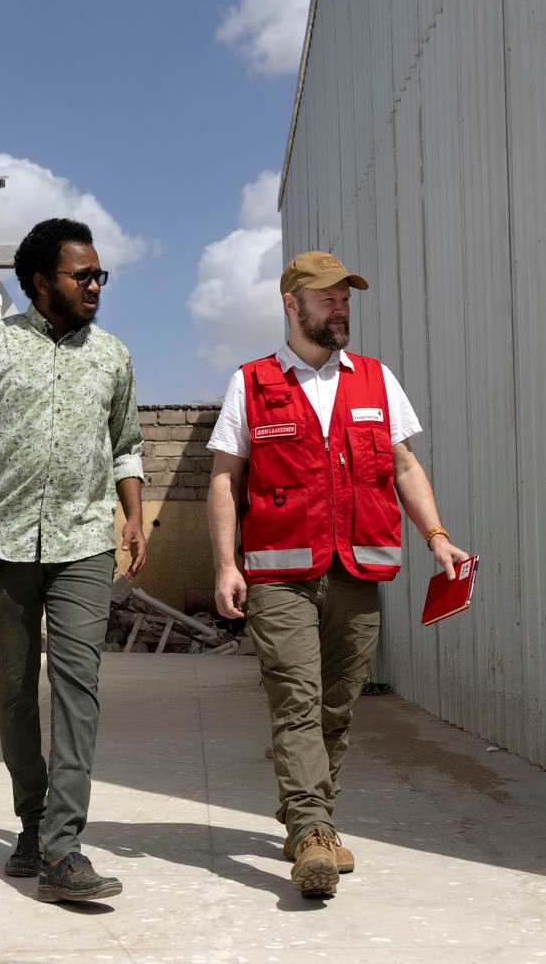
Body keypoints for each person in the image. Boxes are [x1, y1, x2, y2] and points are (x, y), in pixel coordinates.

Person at [206, 249, 471, 898]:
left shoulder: (377, 381)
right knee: (295, 701)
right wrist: (224, 564)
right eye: (326, 297)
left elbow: (404, 467)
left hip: (357, 571)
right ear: (291, 305)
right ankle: (314, 833)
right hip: (279, 576)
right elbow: (222, 478)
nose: (340, 307)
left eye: (345, 297)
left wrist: (436, 537)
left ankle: (309, 820)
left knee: (336, 708)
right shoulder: (253, 383)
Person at [0, 217, 146, 902]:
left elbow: (127, 444)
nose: (95, 286)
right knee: (15, 688)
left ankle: (63, 845)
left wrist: (135, 515)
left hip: (85, 544)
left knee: (78, 687)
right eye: (83, 275)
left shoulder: (113, 355)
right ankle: (31, 822)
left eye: (99, 274)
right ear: (39, 281)